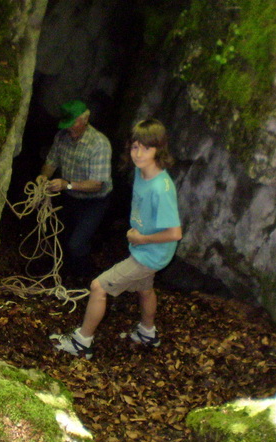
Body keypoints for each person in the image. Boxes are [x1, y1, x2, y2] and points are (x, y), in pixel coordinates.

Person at [51, 118, 181, 359]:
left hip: (150, 254)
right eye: (135, 146)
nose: (139, 153)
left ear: (159, 149)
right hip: (148, 251)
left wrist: (141, 238)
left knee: (98, 287)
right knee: (145, 289)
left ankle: (82, 342)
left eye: (147, 148)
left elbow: (174, 233)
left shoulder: (160, 188)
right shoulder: (144, 173)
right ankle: (147, 332)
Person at [36, 99, 112, 279]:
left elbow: (97, 184)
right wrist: (43, 177)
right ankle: (61, 271)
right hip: (71, 197)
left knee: (76, 243)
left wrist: (66, 184)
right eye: (67, 123)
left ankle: (84, 278)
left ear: (85, 119)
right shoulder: (61, 137)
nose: (69, 128)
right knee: (62, 236)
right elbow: (51, 161)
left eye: (73, 123)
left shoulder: (99, 144)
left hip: (95, 200)